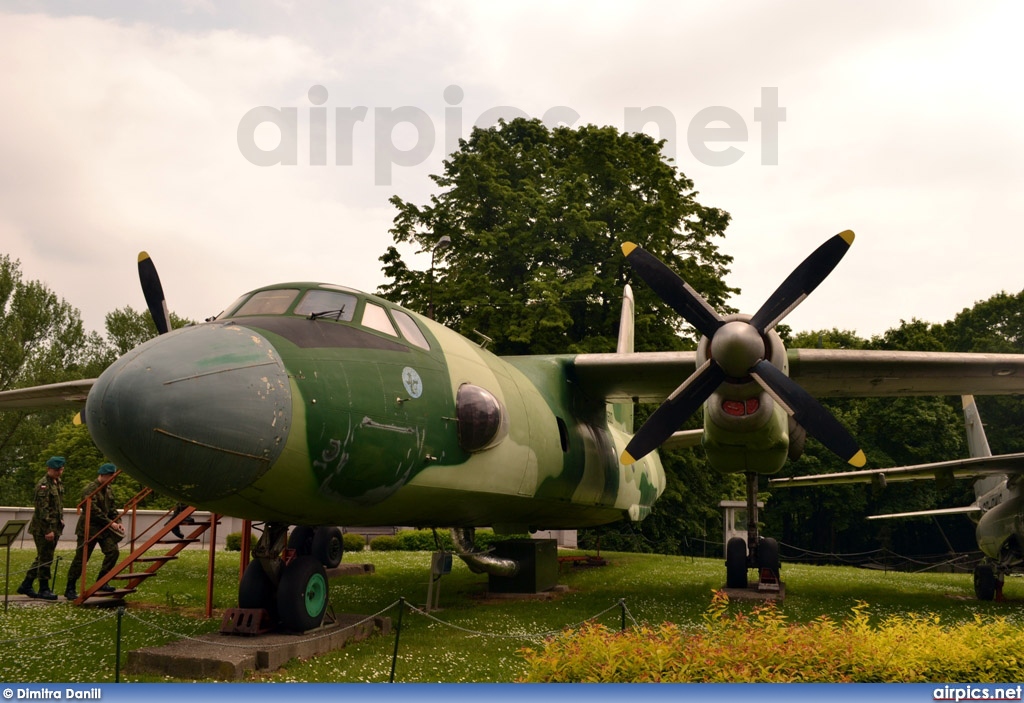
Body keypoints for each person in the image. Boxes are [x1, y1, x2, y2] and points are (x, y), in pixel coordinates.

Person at [64, 463, 123, 600]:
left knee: (113, 552)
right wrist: (111, 523)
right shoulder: (90, 489)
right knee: (81, 559)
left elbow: (112, 508)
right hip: (89, 528)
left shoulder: (108, 489)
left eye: (112, 477)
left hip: (104, 528)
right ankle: (70, 588)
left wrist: (118, 522)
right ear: (102, 475)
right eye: (109, 476)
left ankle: (102, 581)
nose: (111, 479)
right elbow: (94, 511)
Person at [18, 456, 66, 600]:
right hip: (43, 528)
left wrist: (60, 519)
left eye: (60, 469)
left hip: (54, 526)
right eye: (56, 470)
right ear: (48, 469)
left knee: (43, 557)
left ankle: (26, 584)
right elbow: (42, 510)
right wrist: (48, 530)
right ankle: (43, 588)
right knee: (46, 558)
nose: (58, 472)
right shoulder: (44, 485)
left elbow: (57, 504)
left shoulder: (57, 483)